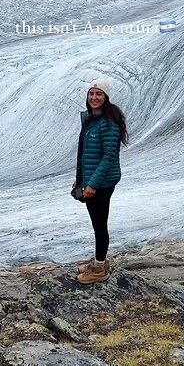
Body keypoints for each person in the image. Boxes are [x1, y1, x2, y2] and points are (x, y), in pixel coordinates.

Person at [72, 77, 129, 284]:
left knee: (99, 225)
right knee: (98, 223)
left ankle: (99, 269)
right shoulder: (90, 120)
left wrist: (93, 184)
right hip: (92, 180)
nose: (94, 97)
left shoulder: (108, 124)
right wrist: (80, 180)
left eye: (99, 94)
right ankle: (99, 261)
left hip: (103, 183)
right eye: (91, 93)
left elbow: (108, 158)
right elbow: (85, 154)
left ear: (106, 97)